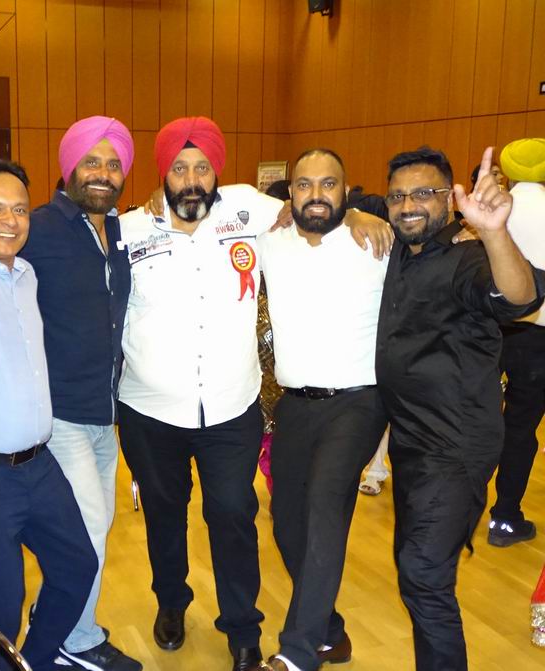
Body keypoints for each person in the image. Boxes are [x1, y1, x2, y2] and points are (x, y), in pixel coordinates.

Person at [117, 119, 392, 671]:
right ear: (163, 173)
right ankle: (171, 600)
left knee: (233, 514)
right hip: (149, 408)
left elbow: (314, 207)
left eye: (202, 167)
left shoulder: (248, 209)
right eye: (179, 168)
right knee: (165, 515)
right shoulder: (130, 230)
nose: (191, 179)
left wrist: (360, 212)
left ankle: (242, 626)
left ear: (217, 171)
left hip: (230, 405)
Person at [0, 115, 142, 671]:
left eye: (18, 209)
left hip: (36, 469)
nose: (10, 220)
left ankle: (35, 661)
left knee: (77, 564)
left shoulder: (24, 277)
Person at [375, 146, 544, 671]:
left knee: (423, 574)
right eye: (398, 196)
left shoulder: (466, 257)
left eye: (424, 194)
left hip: (455, 447)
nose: (409, 205)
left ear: (450, 199)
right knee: (418, 570)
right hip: (410, 443)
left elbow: (519, 298)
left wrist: (494, 232)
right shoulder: (400, 249)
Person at [19, 116, 141, 671]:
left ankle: (57, 621)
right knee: (87, 528)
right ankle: (74, 639)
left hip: (104, 414)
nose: (103, 173)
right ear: (69, 166)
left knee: (97, 525)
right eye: (92, 161)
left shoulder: (121, 231)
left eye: (114, 164)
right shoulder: (38, 229)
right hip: (60, 413)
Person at [260, 149, 388, 671]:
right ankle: (330, 631)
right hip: (295, 404)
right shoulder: (270, 243)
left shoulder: (376, 242)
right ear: (290, 191)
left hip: (359, 402)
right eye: (304, 184)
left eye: (328, 184)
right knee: (286, 522)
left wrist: (361, 215)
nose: (316, 195)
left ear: (346, 190)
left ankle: (297, 652)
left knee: (324, 507)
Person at [487, 137, 545, 546]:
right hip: (539, 335)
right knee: (521, 427)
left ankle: (460, 509)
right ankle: (505, 518)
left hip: (492, 329)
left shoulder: (496, 207)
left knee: (479, 418)